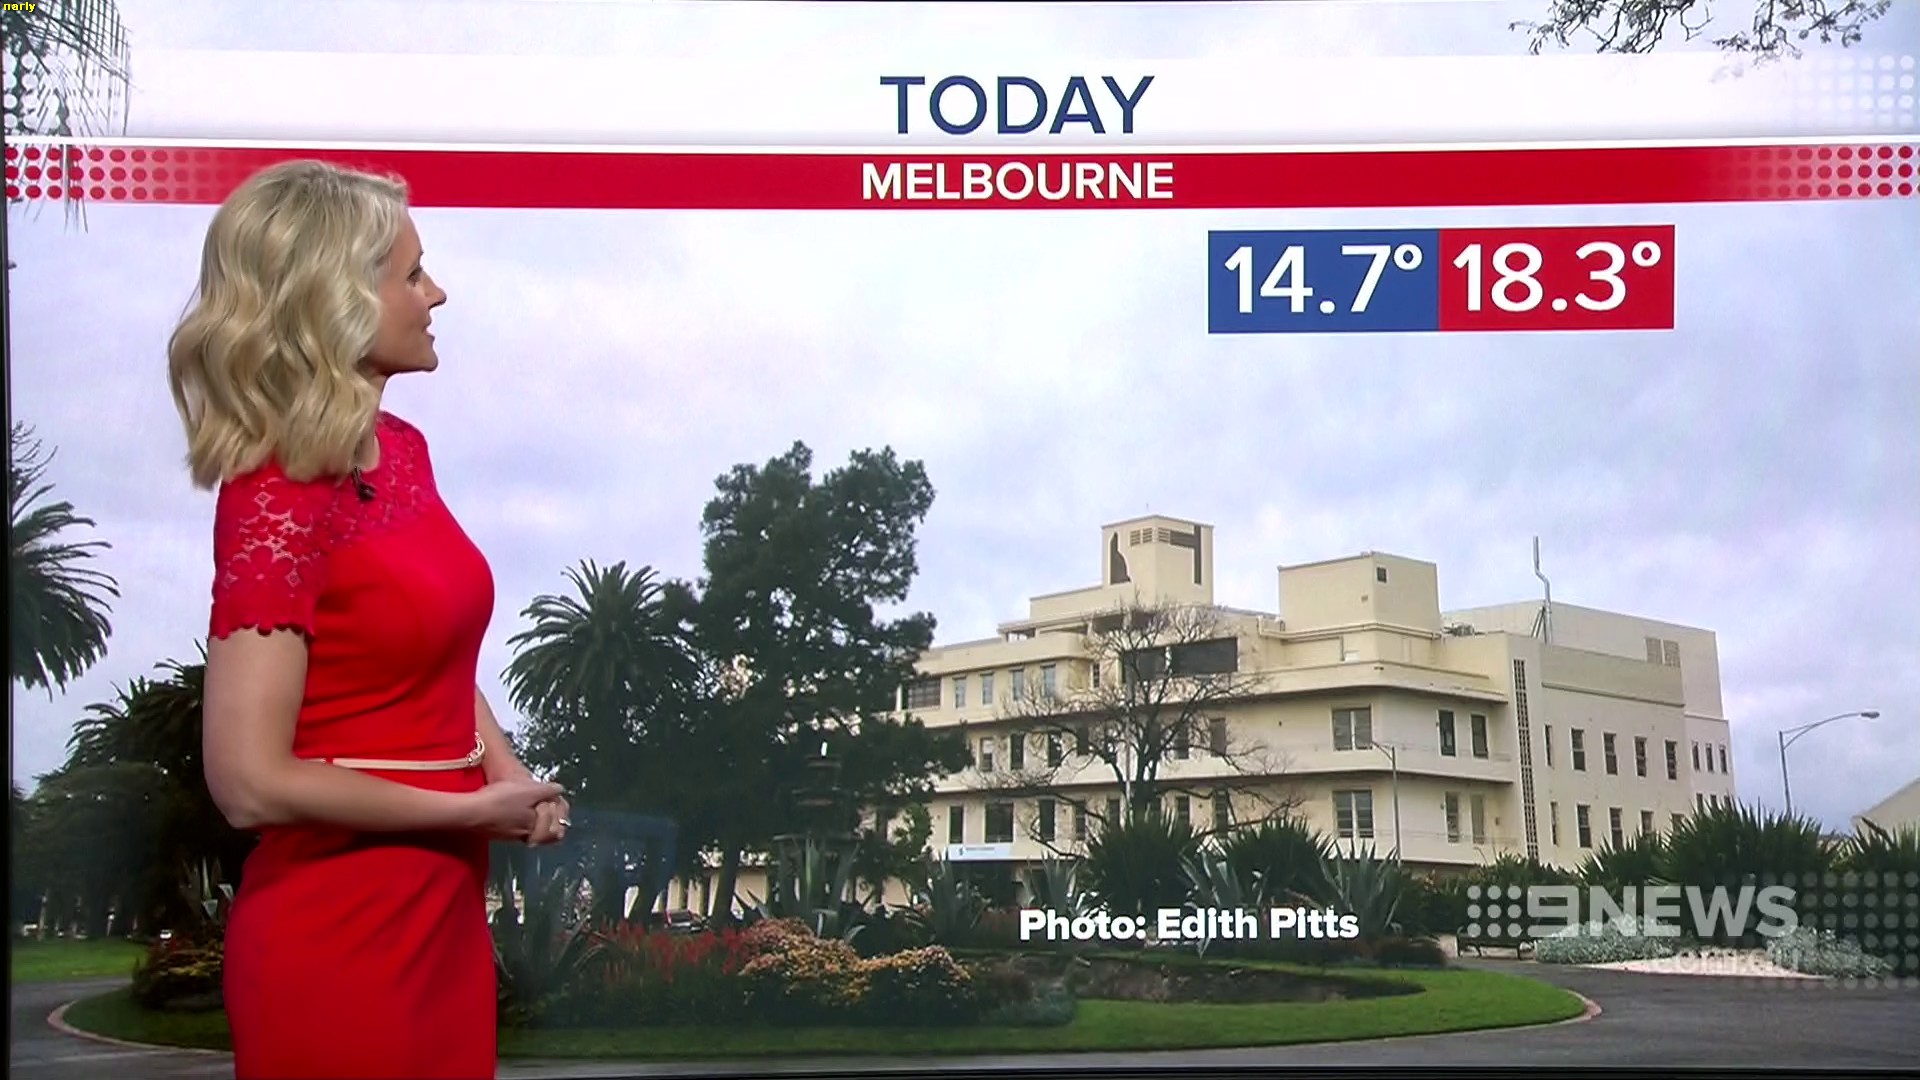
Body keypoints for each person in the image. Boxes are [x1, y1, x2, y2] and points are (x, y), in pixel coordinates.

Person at [168, 159, 567, 1079]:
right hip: (340, 936)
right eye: (412, 275)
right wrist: (466, 809)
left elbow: (431, 656)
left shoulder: (403, 453)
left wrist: (507, 776)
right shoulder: (274, 495)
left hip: (442, 924)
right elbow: (249, 783)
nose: (438, 293)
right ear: (336, 302)